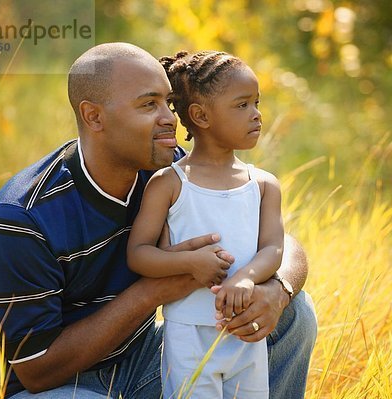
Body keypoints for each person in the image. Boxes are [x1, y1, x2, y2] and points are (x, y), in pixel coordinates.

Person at [0, 42, 317, 399]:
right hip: (45, 389)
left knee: (294, 314)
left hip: (139, 357)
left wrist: (278, 290)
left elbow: (280, 244)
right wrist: (155, 291)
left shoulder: (169, 170)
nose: (169, 118)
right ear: (94, 116)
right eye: (149, 105)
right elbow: (37, 371)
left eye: (167, 101)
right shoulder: (22, 219)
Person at [126, 50, 283, 398]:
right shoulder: (169, 183)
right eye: (242, 105)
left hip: (245, 334)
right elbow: (138, 254)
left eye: (256, 103)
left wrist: (246, 277)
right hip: (187, 336)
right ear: (200, 116)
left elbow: (273, 247)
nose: (257, 115)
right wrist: (189, 263)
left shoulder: (263, 184)